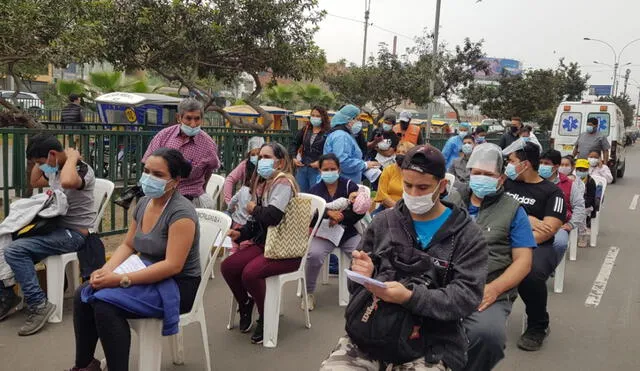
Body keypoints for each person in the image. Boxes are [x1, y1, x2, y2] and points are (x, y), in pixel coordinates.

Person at [320, 145, 488, 371]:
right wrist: (363, 273)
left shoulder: (467, 234)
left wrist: (410, 297)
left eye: (423, 187)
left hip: (431, 344)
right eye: (408, 185)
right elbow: (355, 286)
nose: (414, 194)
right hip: (372, 333)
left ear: (443, 186)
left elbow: (467, 297)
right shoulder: (383, 222)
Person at [68, 148, 200, 371]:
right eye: (146, 171)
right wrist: (106, 271)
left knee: (105, 305)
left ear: (176, 181)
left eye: (158, 175)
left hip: (177, 284)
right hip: (145, 270)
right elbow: (129, 244)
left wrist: (120, 280)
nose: (149, 178)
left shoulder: (181, 214)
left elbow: (172, 265)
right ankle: (84, 365)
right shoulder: (144, 203)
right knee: (84, 293)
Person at [0, 135, 96, 336]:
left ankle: (39, 304)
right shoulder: (54, 169)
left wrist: (71, 157)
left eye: (41, 163)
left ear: (53, 154)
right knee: (5, 239)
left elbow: (69, 182)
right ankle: (8, 296)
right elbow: (34, 181)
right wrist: (40, 162)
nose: (41, 167)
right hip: (53, 230)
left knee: (16, 250)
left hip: (74, 233)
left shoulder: (81, 169)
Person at [458, 143, 535, 371]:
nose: (481, 178)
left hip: (488, 287)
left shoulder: (513, 210)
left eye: (488, 174)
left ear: (501, 179)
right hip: (445, 285)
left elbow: (523, 261)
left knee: (487, 335)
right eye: (477, 173)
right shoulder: (450, 202)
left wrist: (494, 289)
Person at [221, 142, 300, 345]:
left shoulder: (283, 182)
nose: (260, 161)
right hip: (265, 244)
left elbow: (272, 216)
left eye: (266, 157)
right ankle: (245, 303)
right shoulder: (263, 183)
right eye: (259, 157)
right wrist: (241, 233)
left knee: (250, 273)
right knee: (228, 266)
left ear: (280, 162)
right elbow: (256, 223)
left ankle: (266, 316)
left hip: (285, 249)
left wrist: (253, 208)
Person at [502, 140, 566, 352]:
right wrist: (528, 218)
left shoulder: (552, 192)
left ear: (525, 164)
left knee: (531, 274)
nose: (508, 166)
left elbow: (549, 229)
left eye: (511, 161)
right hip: (501, 241)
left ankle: (538, 326)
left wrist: (516, 231)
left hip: (536, 247)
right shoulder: (505, 184)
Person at [303, 154, 369, 311]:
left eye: (333, 169)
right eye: (326, 169)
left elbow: (359, 211)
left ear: (339, 170)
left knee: (361, 256)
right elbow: (310, 217)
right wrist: (328, 214)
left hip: (347, 232)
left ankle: (362, 294)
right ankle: (309, 293)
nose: (329, 172)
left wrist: (341, 218)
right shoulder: (315, 190)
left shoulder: (349, 186)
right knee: (314, 255)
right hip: (325, 233)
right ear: (320, 171)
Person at [142, 98, 220, 208]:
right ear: (179, 117)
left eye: (197, 119)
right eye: (188, 118)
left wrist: (201, 189)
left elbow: (209, 169)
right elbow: (147, 164)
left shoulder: (208, 144)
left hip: (191, 199)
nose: (193, 124)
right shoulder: (163, 136)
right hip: (162, 196)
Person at [539, 149, 586, 257]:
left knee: (559, 243)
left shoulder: (569, 184)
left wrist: (570, 224)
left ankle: (551, 267)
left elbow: (579, 206)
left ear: (556, 166)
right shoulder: (534, 180)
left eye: (546, 164)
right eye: (541, 163)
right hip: (536, 222)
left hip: (559, 225)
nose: (542, 166)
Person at [324, 104, 379, 184]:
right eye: (357, 119)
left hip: (346, 182)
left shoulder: (345, 134)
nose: (359, 123)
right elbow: (342, 162)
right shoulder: (341, 136)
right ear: (349, 119)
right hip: (342, 184)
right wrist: (365, 165)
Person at [289, 106, 331, 192]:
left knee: (316, 195)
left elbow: (331, 150)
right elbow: (294, 143)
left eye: (318, 116)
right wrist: (293, 157)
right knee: (300, 195)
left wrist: (322, 162)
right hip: (303, 167)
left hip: (318, 169)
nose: (315, 118)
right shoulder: (306, 129)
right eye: (313, 115)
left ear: (323, 117)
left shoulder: (328, 132)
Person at [373, 141, 415, 215]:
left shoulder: (414, 173)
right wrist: (398, 208)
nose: (400, 154)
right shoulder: (388, 170)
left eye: (404, 152)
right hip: (386, 209)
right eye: (398, 152)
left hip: (408, 211)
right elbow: (382, 195)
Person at [223, 136, 265, 204]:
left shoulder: (266, 166)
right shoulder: (245, 164)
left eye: (258, 154)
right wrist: (228, 201)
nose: (256, 157)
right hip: (245, 203)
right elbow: (229, 179)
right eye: (253, 155)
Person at [574, 159, 597, 248]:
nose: (581, 172)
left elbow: (591, 198)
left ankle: (582, 234)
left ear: (588, 170)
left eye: (584, 170)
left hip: (587, 206)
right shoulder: (573, 180)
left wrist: (581, 205)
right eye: (579, 170)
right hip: (574, 204)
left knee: (581, 214)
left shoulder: (591, 182)